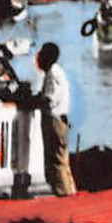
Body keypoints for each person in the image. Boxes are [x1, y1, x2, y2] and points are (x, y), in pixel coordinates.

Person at [34, 42, 76, 195]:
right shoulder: (56, 73)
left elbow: (49, 99)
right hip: (60, 119)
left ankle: (63, 196)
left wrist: (31, 101)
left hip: (54, 121)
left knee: (55, 162)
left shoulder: (53, 74)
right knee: (63, 161)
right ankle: (70, 193)